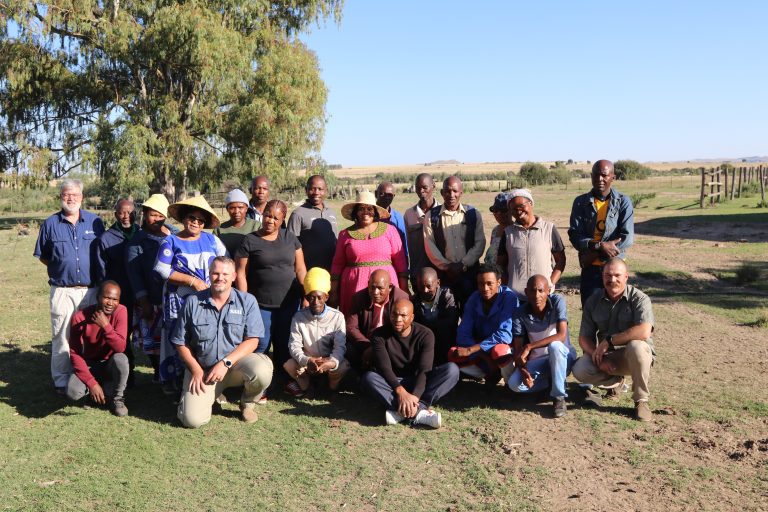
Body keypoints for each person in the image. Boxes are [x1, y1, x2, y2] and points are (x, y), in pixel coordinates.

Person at [172, 257, 272, 427]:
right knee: (192, 421)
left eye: (225, 274)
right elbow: (180, 342)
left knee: (262, 370)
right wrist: (196, 370)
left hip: (235, 366)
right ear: (209, 275)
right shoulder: (193, 302)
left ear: (234, 276)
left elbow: (253, 340)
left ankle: (247, 403)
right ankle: (213, 395)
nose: (220, 278)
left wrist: (225, 363)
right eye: (216, 273)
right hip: (204, 370)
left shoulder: (247, 301)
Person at [34, 179, 105, 394]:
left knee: (92, 335)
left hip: (90, 290)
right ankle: (62, 381)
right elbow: (44, 257)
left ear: (82, 197)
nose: (71, 198)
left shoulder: (95, 223)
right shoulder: (50, 224)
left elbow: (103, 253)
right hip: (62, 291)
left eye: (75, 194)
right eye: (66, 194)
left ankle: (91, 377)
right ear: (61, 197)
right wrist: (63, 268)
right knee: (62, 336)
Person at [154, 195, 226, 395]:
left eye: (200, 220)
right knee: (176, 336)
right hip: (178, 299)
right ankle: (172, 379)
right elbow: (161, 269)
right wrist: (192, 281)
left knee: (203, 335)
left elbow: (225, 264)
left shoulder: (213, 241)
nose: (196, 222)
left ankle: (204, 377)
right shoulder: (171, 241)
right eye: (192, 218)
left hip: (207, 298)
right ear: (184, 218)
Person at [235, 199, 307, 392]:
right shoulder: (250, 240)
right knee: (262, 343)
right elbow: (240, 272)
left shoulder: (290, 238)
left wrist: (306, 294)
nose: (270, 221)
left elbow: (300, 269)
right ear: (262, 214)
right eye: (268, 215)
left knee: (285, 343)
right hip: (260, 304)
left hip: (290, 302)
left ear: (283, 219)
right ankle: (258, 384)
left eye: (276, 218)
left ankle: (285, 380)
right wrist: (244, 301)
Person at [572, 258, 655, 422]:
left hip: (634, 356)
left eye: (617, 275)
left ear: (626, 277)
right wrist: (597, 356)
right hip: (607, 356)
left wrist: (610, 341)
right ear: (602, 277)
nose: (612, 280)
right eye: (607, 275)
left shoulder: (640, 298)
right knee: (579, 369)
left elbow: (644, 331)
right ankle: (616, 382)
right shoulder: (593, 301)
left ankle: (641, 401)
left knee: (636, 346)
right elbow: (584, 338)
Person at [361, 299, 460, 429]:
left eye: (403, 315)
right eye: (394, 314)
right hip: (393, 382)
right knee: (369, 378)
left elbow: (424, 369)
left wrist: (415, 396)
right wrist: (401, 392)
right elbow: (384, 368)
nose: (398, 319)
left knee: (452, 370)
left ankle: (407, 410)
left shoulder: (425, 334)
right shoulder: (378, 335)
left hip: (419, 381)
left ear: (412, 317)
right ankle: (419, 413)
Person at [507, 275, 577, 418]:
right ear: (526, 292)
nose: (537, 295)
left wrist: (530, 346)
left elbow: (561, 335)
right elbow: (519, 349)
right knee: (514, 384)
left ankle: (558, 397)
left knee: (555, 346)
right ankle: (549, 385)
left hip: (562, 357)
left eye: (541, 290)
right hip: (540, 361)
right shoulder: (520, 313)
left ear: (549, 291)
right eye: (532, 291)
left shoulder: (557, 301)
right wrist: (522, 369)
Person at [330, 190, 408, 314]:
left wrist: (404, 290)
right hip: (353, 286)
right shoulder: (345, 235)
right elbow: (337, 264)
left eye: (369, 209)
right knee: (356, 321)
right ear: (355, 212)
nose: (366, 212)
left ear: (375, 211)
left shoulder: (390, 230)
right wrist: (333, 292)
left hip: (385, 285)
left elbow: (401, 262)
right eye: (361, 208)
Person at [568, 160, 634, 304]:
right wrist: (600, 246)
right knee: (590, 315)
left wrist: (597, 249)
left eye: (604, 175)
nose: (599, 179)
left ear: (613, 177)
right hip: (590, 269)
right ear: (591, 176)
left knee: (616, 316)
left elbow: (627, 238)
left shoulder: (623, 202)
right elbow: (575, 235)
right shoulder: (580, 202)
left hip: (614, 270)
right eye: (596, 175)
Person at [126, 194, 176, 382]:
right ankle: (158, 370)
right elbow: (134, 274)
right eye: (152, 215)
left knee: (174, 338)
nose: (156, 219)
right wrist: (143, 299)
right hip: (151, 298)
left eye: (160, 215)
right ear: (145, 214)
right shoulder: (137, 242)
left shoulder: (175, 234)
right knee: (154, 341)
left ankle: (174, 372)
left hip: (173, 296)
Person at [65, 280, 130, 416]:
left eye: (115, 299)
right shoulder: (80, 317)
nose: (110, 303)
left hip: (109, 363)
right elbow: (75, 353)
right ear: (98, 297)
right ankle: (94, 394)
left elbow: (120, 347)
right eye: (107, 298)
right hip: (90, 364)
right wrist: (91, 383)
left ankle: (117, 398)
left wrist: (106, 326)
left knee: (121, 359)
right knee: (73, 392)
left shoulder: (121, 311)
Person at [284, 267, 349, 397]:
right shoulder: (299, 317)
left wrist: (331, 362)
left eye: (320, 297)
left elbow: (340, 346)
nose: (316, 302)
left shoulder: (337, 317)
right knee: (290, 365)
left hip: (327, 361)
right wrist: (307, 360)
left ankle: (331, 389)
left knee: (342, 366)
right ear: (306, 297)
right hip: (308, 363)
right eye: (311, 298)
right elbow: (294, 345)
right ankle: (308, 387)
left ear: (326, 297)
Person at [448, 264, 517, 385]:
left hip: (503, 347)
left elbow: (504, 335)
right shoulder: (474, 298)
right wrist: (481, 354)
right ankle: (489, 373)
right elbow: (463, 334)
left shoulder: (509, 298)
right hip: (479, 348)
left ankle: (509, 382)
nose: (485, 288)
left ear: (499, 282)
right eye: (481, 283)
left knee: (500, 351)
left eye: (489, 283)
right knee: (453, 353)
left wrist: (471, 350)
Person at [423, 176, 486, 308]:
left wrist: (463, 264)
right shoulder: (431, 216)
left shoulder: (473, 214)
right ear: (442, 193)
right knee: (447, 315)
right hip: (444, 276)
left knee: (470, 312)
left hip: (470, 274)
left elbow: (479, 243)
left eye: (455, 191)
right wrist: (447, 266)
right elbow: (430, 245)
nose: (451, 195)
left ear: (461, 193)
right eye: (447, 191)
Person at [95, 199, 139, 383]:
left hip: (141, 293)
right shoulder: (106, 239)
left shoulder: (141, 234)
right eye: (122, 212)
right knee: (122, 335)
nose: (126, 216)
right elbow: (101, 273)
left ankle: (159, 373)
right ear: (115, 215)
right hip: (121, 298)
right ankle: (126, 373)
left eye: (130, 212)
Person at [497, 189, 566, 299]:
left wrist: (550, 282)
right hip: (515, 298)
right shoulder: (508, 232)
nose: (518, 211)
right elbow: (500, 264)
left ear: (531, 203)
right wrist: (507, 286)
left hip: (543, 296)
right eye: (513, 209)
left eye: (521, 205)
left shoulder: (548, 228)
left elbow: (561, 260)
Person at [346, 269, 409, 371]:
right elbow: (351, 327)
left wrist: (378, 348)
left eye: (380, 288)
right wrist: (368, 347)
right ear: (368, 284)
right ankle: (357, 378)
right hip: (366, 341)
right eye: (372, 287)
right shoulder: (359, 298)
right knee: (349, 349)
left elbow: (401, 329)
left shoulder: (401, 299)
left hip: (390, 343)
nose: (375, 292)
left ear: (390, 287)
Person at [286, 175, 339, 272]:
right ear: (306, 190)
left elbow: (335, 240)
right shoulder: (298, 214)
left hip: (332, 271)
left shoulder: (331, 213)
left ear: (326, 190)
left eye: (320, 189)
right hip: (309, 271)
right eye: (312, 189)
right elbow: (291, 246)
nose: (316, 192)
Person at [411, 267, 458, 366]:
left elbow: (451, 321)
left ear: (438, 283)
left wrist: (429, 327)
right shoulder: (414, 301)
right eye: (421, 286)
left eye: (429, 286)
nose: (425, 290)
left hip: (443, 338)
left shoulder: (446, 294)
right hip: (425, 339)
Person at [403, 173, 439, 289]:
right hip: (417, 273)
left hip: (440, 272)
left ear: (433, 186)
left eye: (425, 187)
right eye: (418, 188)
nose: (421, 191)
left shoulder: (443, 212)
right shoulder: (409, 214)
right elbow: (406, 246)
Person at [213, 189, 259, 257]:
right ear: (227, 209)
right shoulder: (219, 230)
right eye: (232, 208)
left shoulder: (256, 226)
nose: (236, 211)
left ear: (246, 208)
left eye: (240, 207)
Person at [375, 181, 408, 267]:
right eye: (382, 194)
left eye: (389, 195)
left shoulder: (398, 218)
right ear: (376, 194)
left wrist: (405, 269)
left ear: (394, 196)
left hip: (393, 265)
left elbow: (403, 244)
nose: (386, 197)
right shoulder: (367, 216)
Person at [484, 193, 511, 266]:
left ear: (511, 210)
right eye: (495, 210)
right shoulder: (495, 230)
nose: (499, 213)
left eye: (503, 210)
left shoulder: (515, 231)